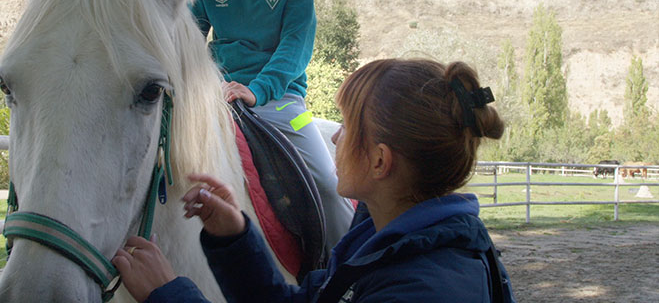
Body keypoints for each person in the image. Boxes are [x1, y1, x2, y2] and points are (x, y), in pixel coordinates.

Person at [112, 58, 516, 302]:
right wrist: (234, 237)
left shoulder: (424, 289)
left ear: (380, 161)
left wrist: (168, 296)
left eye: (348, 126)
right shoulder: (379, 244)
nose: (335, 137)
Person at [190, 0, 354, 252]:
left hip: (281, 102)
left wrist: (257, 90)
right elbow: (188, 44)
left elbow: (295, 47)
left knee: (328, 186)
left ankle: (351, 271)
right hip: (218, 98)